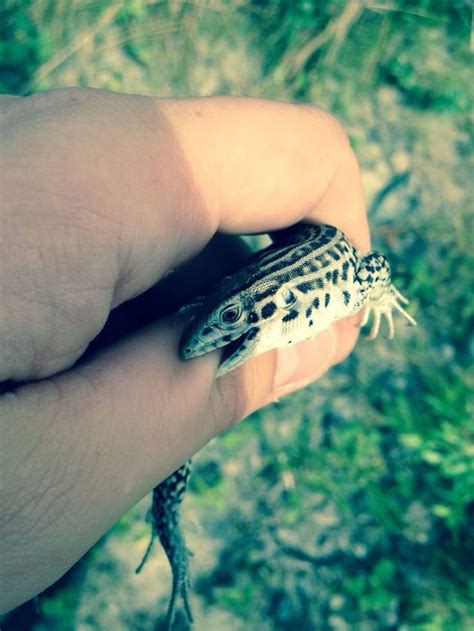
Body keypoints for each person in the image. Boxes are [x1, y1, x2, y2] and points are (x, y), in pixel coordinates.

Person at [0, 88, 370, 613]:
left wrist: (378, 293)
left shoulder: (328, 292)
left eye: (234, 321)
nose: (203, 342)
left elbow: (365, 272)